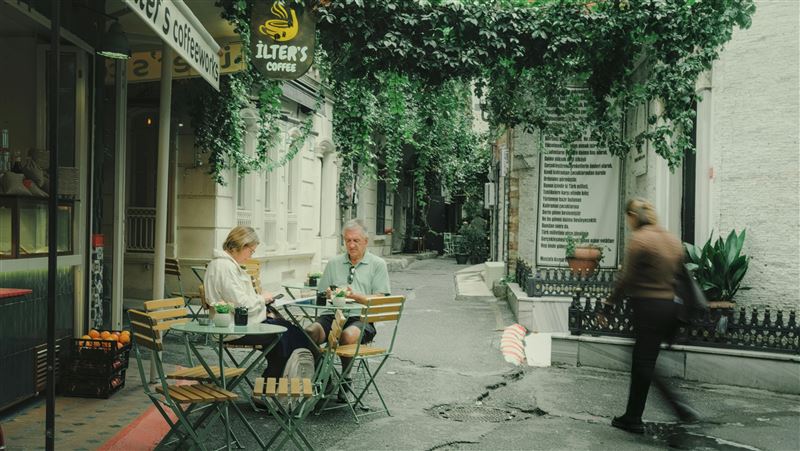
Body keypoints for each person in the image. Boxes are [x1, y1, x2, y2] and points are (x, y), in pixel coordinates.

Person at [600, 198, 699, 434]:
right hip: (669, 308)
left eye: (628, 217)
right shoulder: (672, 239)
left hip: (647, 308)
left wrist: (607, 306)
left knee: (644, 365)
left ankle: (677, 410)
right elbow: (680, 278)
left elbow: (627, 279)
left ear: (633, 216)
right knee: (644, 363)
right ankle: (632, 416)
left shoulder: (640, 240)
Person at [204, 226, 312, 379]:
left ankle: (272, 384)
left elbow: (238, 300)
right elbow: (241, 304)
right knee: (286, 335)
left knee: (291, 333)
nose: (250, 256)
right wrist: (263, 299)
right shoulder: (225, 267)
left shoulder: (225, 265)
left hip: (238, 324)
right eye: (251, 251)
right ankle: (272, 386)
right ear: (242, 245)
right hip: (235, 329)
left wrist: (261, 301)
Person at [306, 219, 391, 374]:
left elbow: (381, 299)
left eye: (356, 241)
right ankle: (324, 377)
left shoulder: (378, 264)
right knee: (310, 332)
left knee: (347, 336)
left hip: (361, 319)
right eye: (348, 240)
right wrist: (329, 294)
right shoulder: (334, 263)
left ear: (366, 241)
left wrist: (356, 297)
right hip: (332, 315)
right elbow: (322, 294)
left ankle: (345, 379)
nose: (351, 245)